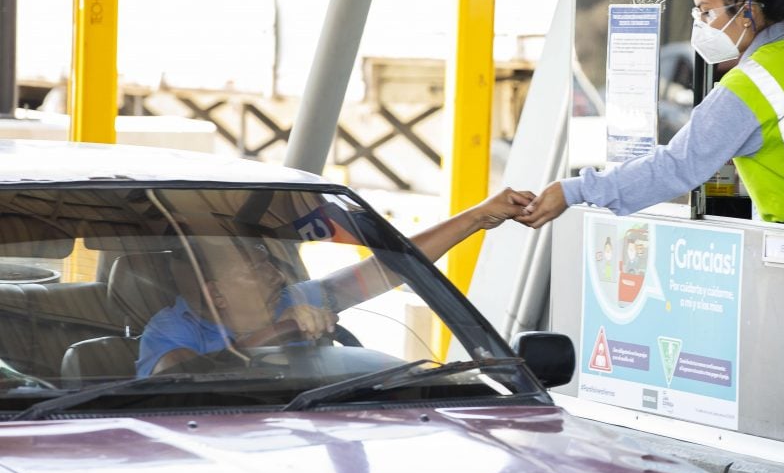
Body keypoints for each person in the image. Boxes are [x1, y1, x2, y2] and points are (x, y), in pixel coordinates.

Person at [520, 0, 784, 229]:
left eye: (706, 12)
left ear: (746, 13)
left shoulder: (749, 86)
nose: (700, 24)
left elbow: (676, 166)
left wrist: (575, 190)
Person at [137, 187, 536, 376]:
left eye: (269, 263)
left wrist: (476, 217)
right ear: (216, 294)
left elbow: (390, 268)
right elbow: (179, 384)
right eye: (256, 269)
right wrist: (277, 331)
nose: (276, 273)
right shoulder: (170, 332)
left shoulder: (297, 297)